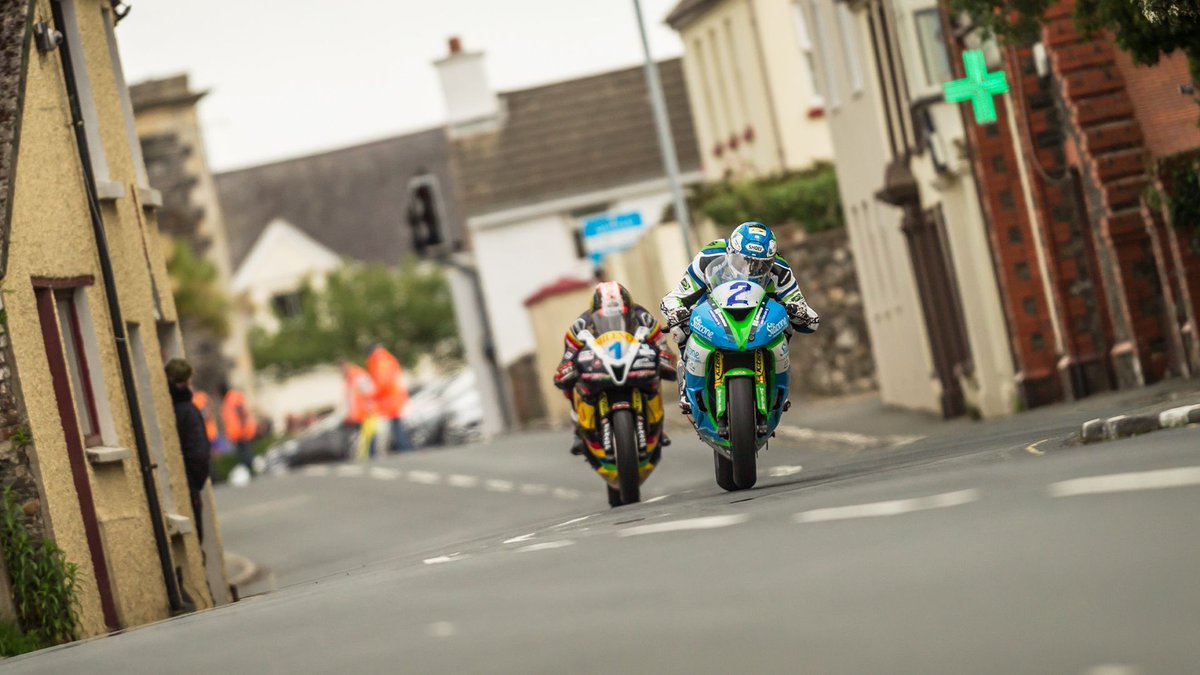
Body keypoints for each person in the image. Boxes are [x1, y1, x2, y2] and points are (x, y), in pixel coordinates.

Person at [660, 221, 819, 414]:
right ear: (730, 252)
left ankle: (777, 387)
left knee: (786, 325)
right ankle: (687, 384)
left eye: (761, 266)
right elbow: (675, 296)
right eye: (743, 261)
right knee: (680, 326)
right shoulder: (707, 258)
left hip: (758, 320)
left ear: (771, 260)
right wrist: (676, 310)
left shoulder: (780, 270)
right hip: (712, 312)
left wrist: (799, 313)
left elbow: (807, 314)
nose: (750, 270)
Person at [552, 281, 677, 456]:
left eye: (620, 314)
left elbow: (661, 345)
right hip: (599, 369)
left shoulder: (643, 317)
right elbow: (569, 353)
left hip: (634, 365)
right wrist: (567, 368)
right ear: (594, 311)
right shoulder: (581, 324)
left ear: (628, 307)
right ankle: (578, 431)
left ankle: (657, 425)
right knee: (569, 385)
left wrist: (664, 358)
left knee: (656, 375)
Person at [165, 359, 211, 542]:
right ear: (185, 382)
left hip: (180, 484)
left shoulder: (170, 409)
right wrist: (196, 483)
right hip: (189, 486)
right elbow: (198, 453)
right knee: (195, 540)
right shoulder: (188, 411)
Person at [366, 345, 414, 453]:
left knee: (396, 425)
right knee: (396, 425)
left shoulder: (379, 361)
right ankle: (403, 447)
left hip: (391, 399)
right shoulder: (386, 358)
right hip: (394, 398)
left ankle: (404, 448)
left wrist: (372, 395)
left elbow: (382, 382)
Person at [342, 361, 379, 460]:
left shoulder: (358, 376)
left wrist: (369, 406)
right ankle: (366, 456)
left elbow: (370, 390)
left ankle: (372, 455)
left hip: (366, 412)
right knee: (363, 438)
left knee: (369, 435)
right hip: (358, 415)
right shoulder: (350, 378)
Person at [220, 382, 258, 474]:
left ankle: (251, 470)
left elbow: (241, 412)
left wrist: (244, 429)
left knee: (245, 453)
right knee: (242, 453)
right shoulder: (228, 399)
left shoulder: (232, 398)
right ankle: (249, 470)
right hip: (236, 433)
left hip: (241, 432)